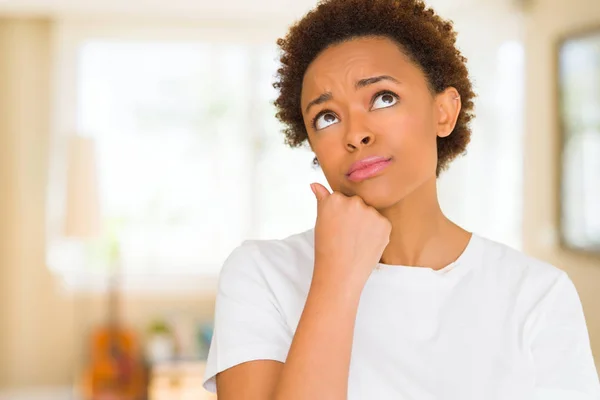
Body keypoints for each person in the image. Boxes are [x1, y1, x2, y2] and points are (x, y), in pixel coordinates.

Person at [202, 0, 600, 398]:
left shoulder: (537, 295)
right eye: (327, 117)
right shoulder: (261, 274)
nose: (355, 133)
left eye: (383, 98)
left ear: (444, 112)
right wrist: (335, 276)